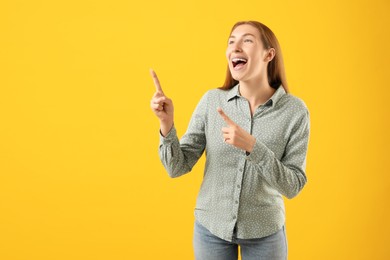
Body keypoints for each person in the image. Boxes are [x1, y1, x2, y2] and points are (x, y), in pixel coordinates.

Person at [150, 20, 310, 260]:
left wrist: (252, 147)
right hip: (210, 228)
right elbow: (176, 167)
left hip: (265, 232)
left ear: (269, 54)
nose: (235, 47)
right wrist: (166, 125)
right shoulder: (212, 101)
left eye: (247, 40)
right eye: (231, 41)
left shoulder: (295, 112)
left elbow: (293, 185)